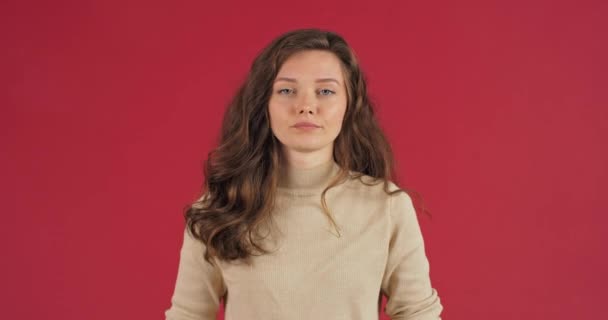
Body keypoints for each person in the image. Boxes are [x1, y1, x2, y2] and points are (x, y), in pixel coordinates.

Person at [164, 28, 443, 320]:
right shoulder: (220, 207)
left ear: (349, 105)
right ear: (264, 105)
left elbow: (418, 314)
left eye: (326, 91)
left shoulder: (386, 207)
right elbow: (188, 315)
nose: (306, 106)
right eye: (286, 90)